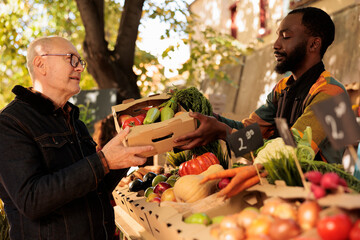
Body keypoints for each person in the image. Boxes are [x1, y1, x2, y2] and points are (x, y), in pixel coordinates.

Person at [0, 36, 154, 240]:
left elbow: (96, 189)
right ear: (41, 64)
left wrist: (129, 148)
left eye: (80, 61)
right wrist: (103, 161)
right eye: (71, 59)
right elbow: (31, 200)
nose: (80, 68)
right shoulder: (10, 123)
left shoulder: (74, 121)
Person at [175, 7, 348, 164]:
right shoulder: (283, 88)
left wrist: (224, 133)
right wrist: (211, 118)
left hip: (327, 193)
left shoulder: (332, 93)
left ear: (314, 44)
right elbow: (249, 130)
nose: (276, 45)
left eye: (286, 36)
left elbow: (291, 154)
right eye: (277, 36)